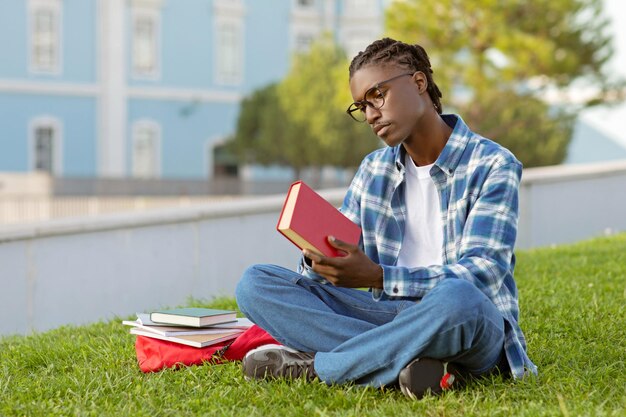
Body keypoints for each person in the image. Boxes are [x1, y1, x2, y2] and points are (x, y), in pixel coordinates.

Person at [235, 37, 537, 399]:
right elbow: (334, 265)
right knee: (255, 284)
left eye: (377, 95)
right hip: (386, 316)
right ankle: (413, 365)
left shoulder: (492, 164)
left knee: (458, 297)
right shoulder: (373, 169)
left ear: (419, 82)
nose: (370, 114)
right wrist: (320, 256)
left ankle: (318, 367)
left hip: (464, 319)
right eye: (361, 106)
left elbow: (482, 272)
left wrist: (378, 276)